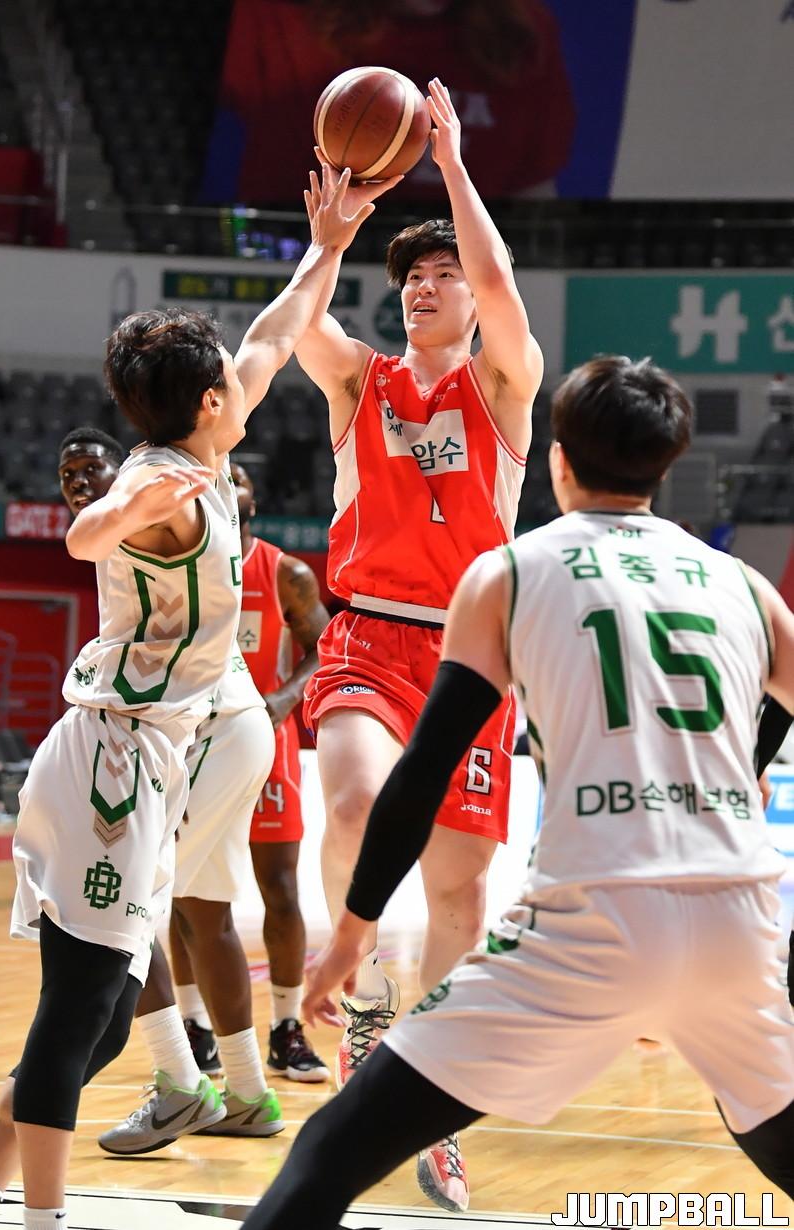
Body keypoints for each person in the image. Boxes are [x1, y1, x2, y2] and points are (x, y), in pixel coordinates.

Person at [243, 355, 794, 1229]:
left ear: (558, 462)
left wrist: (352, 930)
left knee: (327, 1155)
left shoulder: (509, 572)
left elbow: (424, 768)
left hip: (595, 917)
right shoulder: (745, 587)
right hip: (738, 919)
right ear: (667, 464)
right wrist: (752, 758)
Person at [0, 165, 391, 1230]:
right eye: (229, 384)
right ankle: (39, 1219)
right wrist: (121, 507)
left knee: (111, 1014)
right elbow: (83, 536)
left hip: (156, 752)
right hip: (113, 757)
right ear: (209, 404)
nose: (246, 386)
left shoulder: (207, 441)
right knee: (83, 1008)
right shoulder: (161, 481)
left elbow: (278, 330)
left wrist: (331, 241)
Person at [296, 79, 543, 1211]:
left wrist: (448, 162)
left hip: (472, 654)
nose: (424, 288)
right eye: (410, 279)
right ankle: (364, 1008)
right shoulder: (364, 380)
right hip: (366, 635)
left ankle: (427, 1104)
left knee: (459, 896)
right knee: (352, 807)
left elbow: (500, 286)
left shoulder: (501, 384)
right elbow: (296, 332)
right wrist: (330, 240)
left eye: (441, 275)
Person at [169, 462, 331, 1083]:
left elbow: (324, 646)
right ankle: (194, 1026)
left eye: (238, 480)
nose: (228, 486)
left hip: (264, 740)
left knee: (281, 889)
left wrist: (286, 698)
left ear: (253, 504)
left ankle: (287, 1028)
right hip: (191, 741)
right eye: (219, 479)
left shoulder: (284, 571)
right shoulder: (179, 564)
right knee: (185, 890)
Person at [208, 0, 574, 203]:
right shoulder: (276, 15)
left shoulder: (523, 32)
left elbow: (533, 192)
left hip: (454, 266)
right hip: (303, 250)